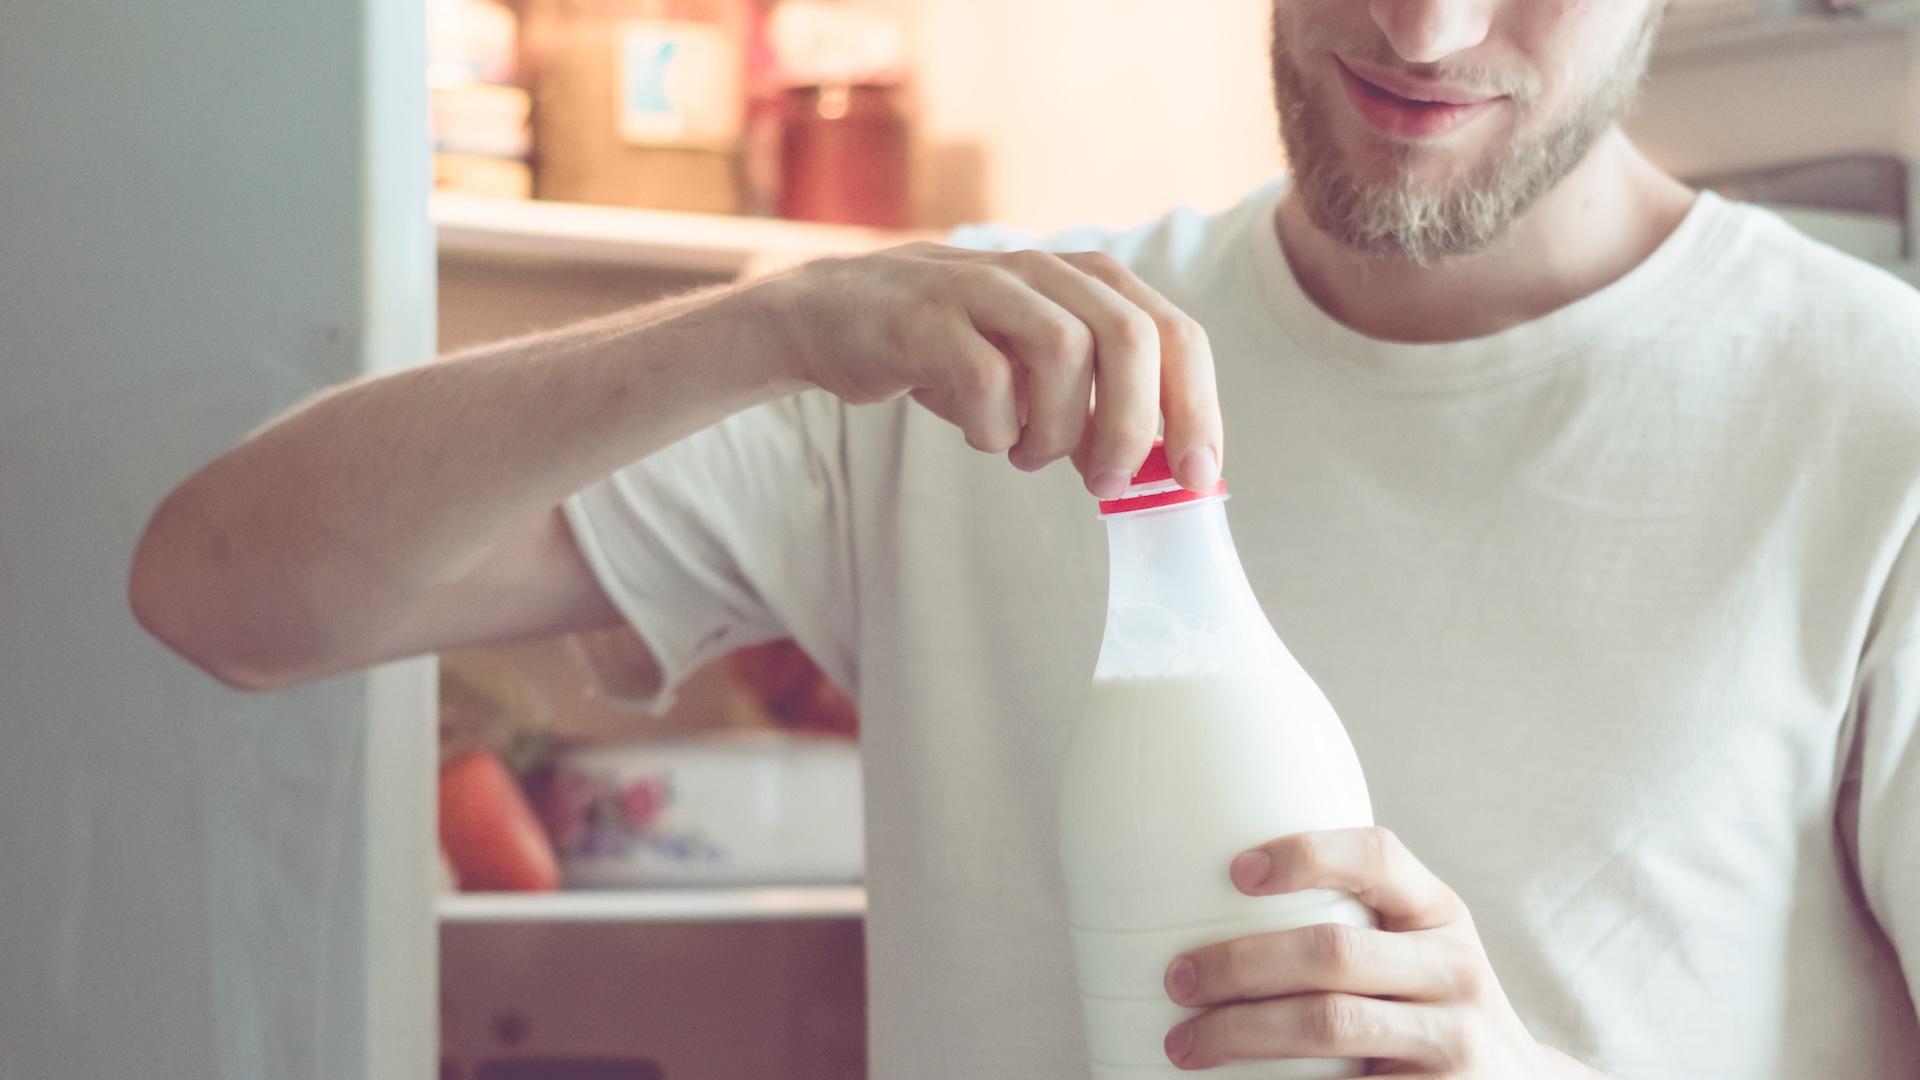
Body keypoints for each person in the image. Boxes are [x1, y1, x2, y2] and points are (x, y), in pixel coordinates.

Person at [128, 0, 1920, 1072]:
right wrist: (764, 323)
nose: (1425, 29)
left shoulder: (1872, 424)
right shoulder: (973, 366)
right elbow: (226, 594)